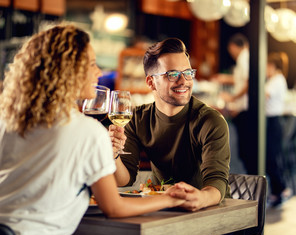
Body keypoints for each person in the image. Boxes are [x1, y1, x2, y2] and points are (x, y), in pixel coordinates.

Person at [0, 24, 185, 235]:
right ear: (68, 70)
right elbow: (114, 208)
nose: (99, 72)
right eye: (91, 64)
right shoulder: (88, 131)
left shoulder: (9, 121)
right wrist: (171, 199)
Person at [109, 38, 231, 212]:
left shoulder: (210, 121)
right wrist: (113, 154)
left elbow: (216, 180)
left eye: (188, 73)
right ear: (151, 82)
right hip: (161, 208)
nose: (184, 81)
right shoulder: (136, 119)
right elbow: (124, 180)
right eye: (173, 74)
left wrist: (199, 198)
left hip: (207, 210)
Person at [212, 33, 254, 174]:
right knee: (245, 149)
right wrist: (226, 78)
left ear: (234, 47)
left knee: (245, 150)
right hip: (244, 108)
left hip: (244, 110)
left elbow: (249, 82)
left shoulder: (243, 58)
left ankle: (251, 183)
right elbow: (242, 80)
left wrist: (233, 98)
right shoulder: (247, 57)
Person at [265, 52, 289, 207]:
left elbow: (264, 95)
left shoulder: (276, 80)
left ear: (272, 66)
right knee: (273, 157)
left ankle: (278, 191)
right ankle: (280, 189)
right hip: (274, 122)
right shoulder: (278, 79)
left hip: (272, 122)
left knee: (271, 158)